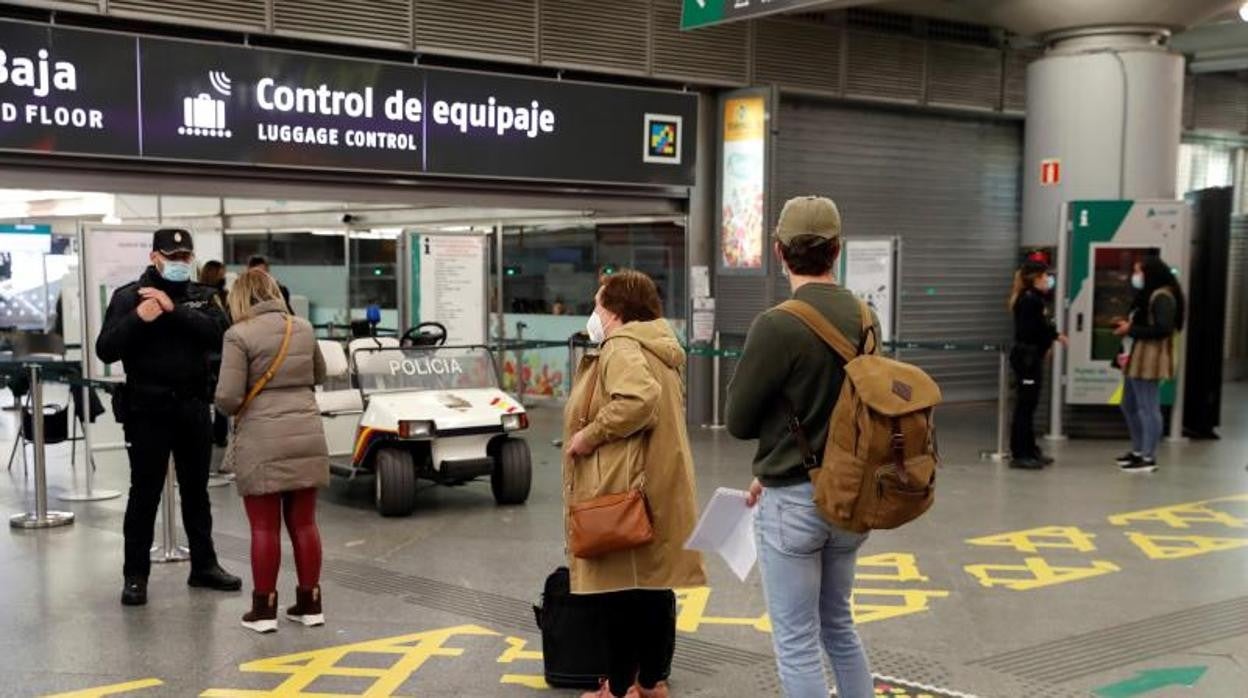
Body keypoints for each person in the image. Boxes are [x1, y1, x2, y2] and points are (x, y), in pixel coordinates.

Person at [725, 196, 877, 698]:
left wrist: (777, 457)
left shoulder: (777, 323)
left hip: (792, 500)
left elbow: (739, 421)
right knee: (838, 624)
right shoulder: (866, 316)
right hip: (851, 498)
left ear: (778, 252)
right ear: (837, 249)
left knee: (795, 640)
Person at [563, 269, 706, 698]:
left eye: (598, 303)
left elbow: (638, 401)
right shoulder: (658, 347)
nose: (594, 311)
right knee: (652, 586)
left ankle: (620, 686)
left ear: (616, 310)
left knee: (617, 589)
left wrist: (588, 436)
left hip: (625, 486)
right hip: (657, 482)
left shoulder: (622, 346)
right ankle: (651, 680)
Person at [95, 228, 241, 607]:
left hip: (192, 408)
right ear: (153, 256)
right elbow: (106, 350)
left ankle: (204, 566)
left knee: (197, 492)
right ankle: (135, 575)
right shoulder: (128, 297)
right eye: (171, 256)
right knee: (144, 494)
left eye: (184, 257)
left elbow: (220, 336)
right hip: (147, 409)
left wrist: (171, 309)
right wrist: (139, 318)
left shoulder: (202, 297)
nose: (178, 263)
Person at [215, 269, 330, 633]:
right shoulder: (304, 327)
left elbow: (229, 397)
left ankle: (264, 611)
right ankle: (310, 605)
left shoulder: (238, 335)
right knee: (305, 522)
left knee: (264, 528)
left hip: (262, 438)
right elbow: (320, 374)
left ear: (240, 298)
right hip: (307, 431)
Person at [1113, 255, 1185, 474]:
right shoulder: (1148, 295)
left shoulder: (1163, 297)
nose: (1136, 277)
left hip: (1150, 358)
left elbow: (1163, 329)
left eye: (1139, 272)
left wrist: (1130, 330)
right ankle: (1137, 450)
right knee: (1129, 404)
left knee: (1148, 407)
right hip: (1136, 355)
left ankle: (1148, 456)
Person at [1007, 259, 1066, 469]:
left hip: (1031, 356)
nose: (1048, 280)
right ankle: (1020, 452)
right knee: (1025, 405)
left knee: (1029, 405)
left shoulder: (1034, 299)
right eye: (1044, 276)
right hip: (1027, 358)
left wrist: (1054, 337)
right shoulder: (1030, 300)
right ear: (1035, 278)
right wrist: (1049, 339)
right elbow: (1032, 330)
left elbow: (1042, 327)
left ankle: (1030, 449)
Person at [199, 261, 231, 448]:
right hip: (217, 354)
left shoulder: (204, 296)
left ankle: (217, 434)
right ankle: (217, 434)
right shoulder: (210, 297)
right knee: (218, 396)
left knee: (213, 396)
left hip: (213, 353)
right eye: (222, 274)